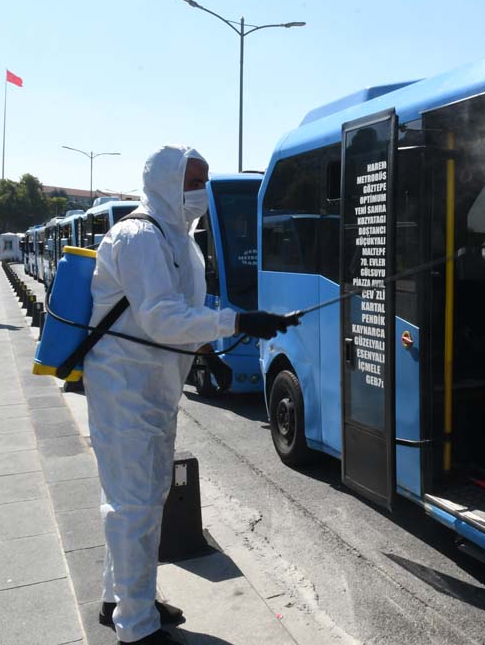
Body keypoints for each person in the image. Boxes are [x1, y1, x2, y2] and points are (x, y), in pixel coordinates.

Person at [84, 145, 296, 645]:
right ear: (164, 182)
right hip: (123, 389)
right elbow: (159, 316)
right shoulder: (138, 236)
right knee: (133, 503)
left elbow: (182, 309)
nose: (200, 192)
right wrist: (238, 321)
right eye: (191, 181)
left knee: (148, 496)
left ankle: (122, 598)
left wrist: (209, 354)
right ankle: (135, 629)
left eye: (203, 181)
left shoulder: (182, 239)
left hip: (155, 387)